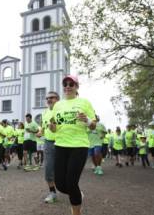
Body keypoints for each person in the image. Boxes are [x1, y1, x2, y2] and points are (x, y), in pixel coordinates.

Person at [49, 75, 96, 215]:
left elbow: (93, 126)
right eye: (65, 84)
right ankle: (77, 194)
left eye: (71, 84)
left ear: (76, 87)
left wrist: (87, 120)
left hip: (79, 146)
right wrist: (52, 126)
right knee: (60, 184)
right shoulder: (58, 105)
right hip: (60, 145)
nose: (68, 86)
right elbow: (55, 128)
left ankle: (76, 212)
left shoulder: (84, 102)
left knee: (71, 181)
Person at [40, 91, 59, 203]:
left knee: (63, 170)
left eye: (52, 97)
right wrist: (40, 131)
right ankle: (52, 192)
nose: (49, 100)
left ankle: (73, 190)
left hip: (62, 142)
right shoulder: (45, 112)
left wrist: (54, 128)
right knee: (48, 169)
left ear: (57, 99)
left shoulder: (61, 111)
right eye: (47, 98)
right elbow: (43, 126)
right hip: (48, 143)